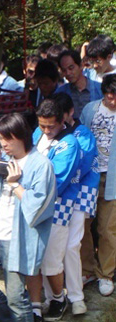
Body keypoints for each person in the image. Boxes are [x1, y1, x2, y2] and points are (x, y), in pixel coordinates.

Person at [0, 113, 56, 322]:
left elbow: (37, 207)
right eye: (1, 138)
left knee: (16, 298)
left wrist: (15, 183)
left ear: (22, 136)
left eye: (8, 138)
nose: (4, 144)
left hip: (17, 238)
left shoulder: (41, 165)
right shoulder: (3, 159)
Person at [27, 99, 81, 321]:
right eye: (42, 125)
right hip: (31, 201)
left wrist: (28, 183)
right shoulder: (36, 135)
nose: (46, 130)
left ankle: (59, 297)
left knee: (51, 260)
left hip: (59, 205)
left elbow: (58, 180)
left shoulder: (69, 144)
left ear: (62, 121)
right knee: (32, 258)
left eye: (51, 126)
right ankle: (35, 304)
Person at [52, 92, 100, 315]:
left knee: (72, 245)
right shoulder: (46, 132)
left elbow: (82, 164)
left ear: (70, 112)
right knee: (54, 247)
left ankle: (76, 295)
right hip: (56, 195)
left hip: (77, 193)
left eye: (61, 116)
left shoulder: (83, 134)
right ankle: (55, 294)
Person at [80, 74, 116, 297]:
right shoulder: (90, 109)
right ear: (104, 93)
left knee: (107, 229)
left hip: (112, 178)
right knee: (83, 225)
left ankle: (106, 274)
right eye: (110, 95)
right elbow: (81, 138)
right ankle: (87, 269)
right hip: (89, 175)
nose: (113, 100)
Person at [57, 50, 103, 118]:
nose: (68, 73)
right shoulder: (60, 93)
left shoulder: (100, 90)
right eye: (64, 70)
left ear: (81, 65)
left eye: (71, 68)